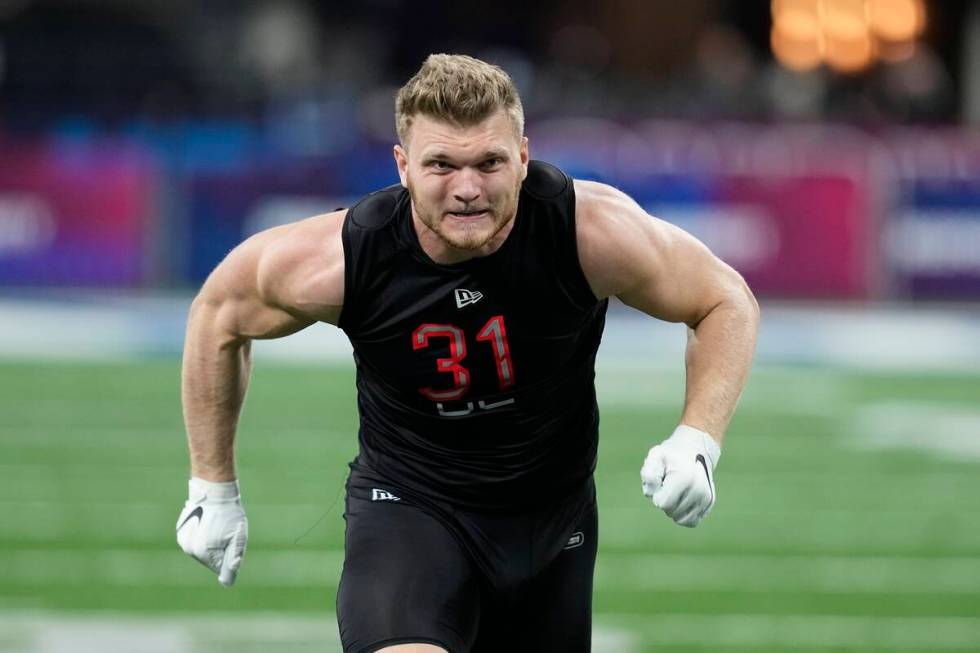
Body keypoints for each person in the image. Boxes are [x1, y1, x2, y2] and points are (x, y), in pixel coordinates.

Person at [176, 53, 759, 653]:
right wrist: (211, 487)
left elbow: (724, 300)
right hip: (409, 509)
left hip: (552, 524)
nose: (468, 188)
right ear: (402, 166)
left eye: (489, 162)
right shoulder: (350, 256)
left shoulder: (586, 231)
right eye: (441, 165)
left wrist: (699, 439)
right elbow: (220, 313)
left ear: (524, 158)